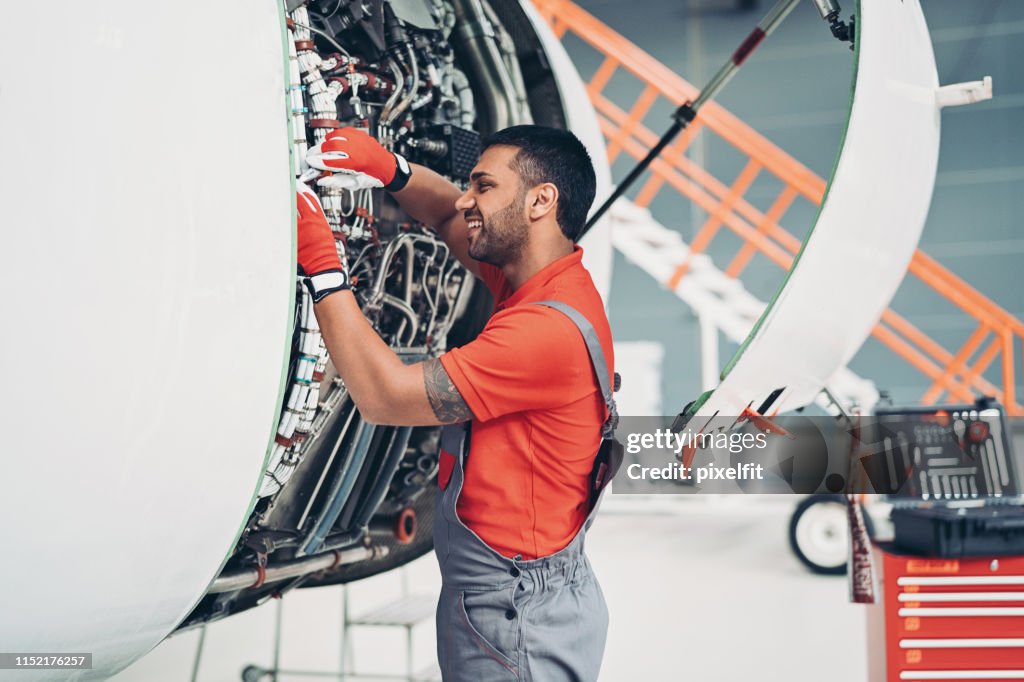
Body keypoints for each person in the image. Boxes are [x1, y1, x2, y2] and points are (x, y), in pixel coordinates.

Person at [296, 124, 616, 681]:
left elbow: (385, 397)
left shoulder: (544, 330)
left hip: (516, 612)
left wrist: (324, 272)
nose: (466, 198)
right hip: (517, 591)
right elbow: (447, 217)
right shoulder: (542, 280)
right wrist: (389, 169)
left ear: (542, 201)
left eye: (483, 186)